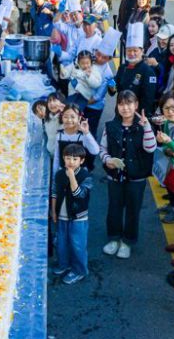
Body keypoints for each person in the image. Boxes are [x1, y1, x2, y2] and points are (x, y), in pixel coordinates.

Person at [100, 91, 156, 259]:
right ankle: (113, 238)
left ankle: (127, 241)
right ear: (117, 106)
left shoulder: (144, 125)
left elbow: (151, 148)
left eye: (129, 104)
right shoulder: (110, 126)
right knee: (114, 207)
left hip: (137, 177)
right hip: (115, 176)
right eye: (121, 104)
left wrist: (146, 127)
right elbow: (102, 149)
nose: (125, 108)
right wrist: (107, 159)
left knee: (133, 209)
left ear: (136, 105)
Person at [51, 143, 93, 285]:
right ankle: (64, 264)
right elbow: (55, 193)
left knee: (77, 244)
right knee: (61, 243)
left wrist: (71, 177)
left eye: (75, 159)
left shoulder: (85, 176)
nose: (71, 162)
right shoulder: (59, 174)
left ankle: (79, 270)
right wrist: (53, 212)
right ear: (63, 158)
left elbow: (78, 194)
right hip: (61, 215)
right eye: (68, 158)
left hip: (78, 217)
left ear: (82, 160)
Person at [115, 23, 156, 115]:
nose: (132, 53)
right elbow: (116, 88)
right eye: (129, 50)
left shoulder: (148, 72)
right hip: (121, 112)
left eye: (135, 50)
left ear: (142, 51)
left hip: (137, 116)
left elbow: (148, 100)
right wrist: (111, 86)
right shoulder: (122, 67)